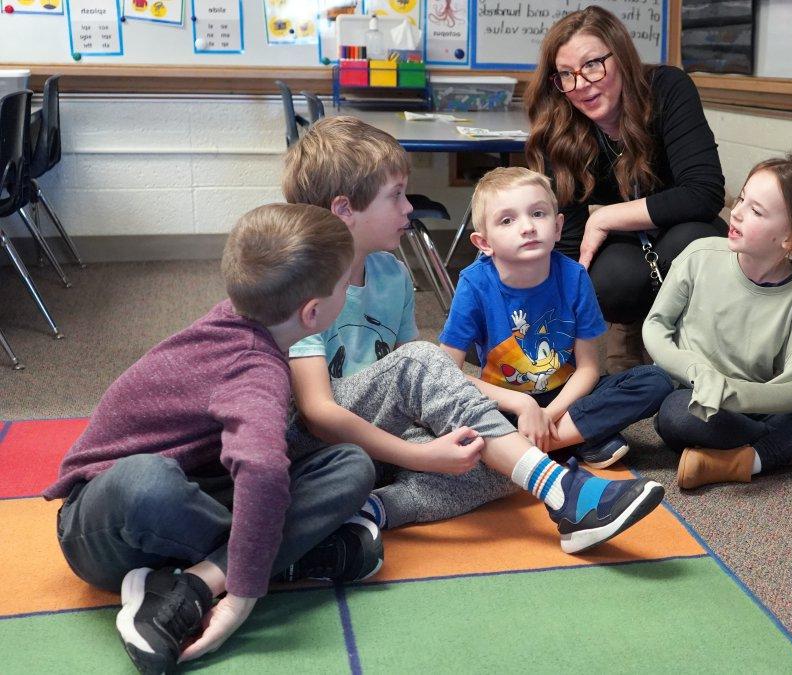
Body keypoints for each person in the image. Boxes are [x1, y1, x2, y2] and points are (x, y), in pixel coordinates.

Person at [284, 116, 666, 554]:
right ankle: (563, 492)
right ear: (344, 210)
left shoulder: (392, 272)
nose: (409, 208)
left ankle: (373, 510)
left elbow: (428, 381)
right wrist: (420, 457)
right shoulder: (306, 283)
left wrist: (511, 411)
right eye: (396, 196)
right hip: (323, 442)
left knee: (486, 457)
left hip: (387, 434)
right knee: (440, 380)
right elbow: (318, 413)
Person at [44, 204, 377, 673]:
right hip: (99, 528)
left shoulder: (238, 317)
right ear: (313, 312)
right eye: (345, 285)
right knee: (148, 480)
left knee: (350, 464)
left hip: (188, 499)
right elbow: (260, 469)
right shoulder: (254, 368)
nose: (349, 290)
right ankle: (268, 566)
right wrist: (241, 599)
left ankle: (189, 585)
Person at [643, 153, 792, 489]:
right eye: (741, 199)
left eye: (755, 211)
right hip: (701, 401)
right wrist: (698, 372)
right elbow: (655, 326)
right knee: (675, 416)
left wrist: (738, 395)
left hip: (757, 402)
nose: (736, 212)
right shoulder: (699, 256)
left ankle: (748, 459)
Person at [525, 5, 726, 373]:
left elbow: (704, 192)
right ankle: (630, 325)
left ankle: (690, 341)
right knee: (608, 281)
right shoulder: (560, 124)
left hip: (682, 222)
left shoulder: (667, 88)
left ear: (621, 56)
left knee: (695, 247)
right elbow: (568, 239)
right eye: (565, 74)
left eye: (592, 65)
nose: (581, 84)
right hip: (627, 242)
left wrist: (607, 217)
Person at [439, 167, 674, 469]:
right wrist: (523, 406)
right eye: (507, 220)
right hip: (505, 404)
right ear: (484, 243)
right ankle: (578, 439)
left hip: (566, 400)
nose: (527, 227)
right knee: (454, 413)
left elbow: (588, 369)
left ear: (558, 226)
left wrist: (547, 416)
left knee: (654, 380)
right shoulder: (474, 284)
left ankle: (533, 445)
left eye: (538, 214)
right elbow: (448, 374)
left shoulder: (574, 276)